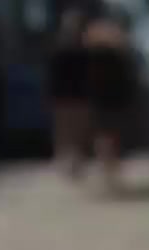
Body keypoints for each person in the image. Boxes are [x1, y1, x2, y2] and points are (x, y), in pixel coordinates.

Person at [82, 12, 137, 192]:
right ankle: (111, 170)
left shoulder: (96, 56)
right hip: (110, 100)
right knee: (110, 136)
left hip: (107, 99)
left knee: (106, 136)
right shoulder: (113, 55)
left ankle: (109, 170)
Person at [47, 11, 89, 177]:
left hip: (79, 97)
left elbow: (88, 75)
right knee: (64, 132)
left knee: (77, 132)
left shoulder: (84, 50)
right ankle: (64, 161)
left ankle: (76, 162)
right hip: (63, 98)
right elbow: (53, 75)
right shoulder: (59, 49)